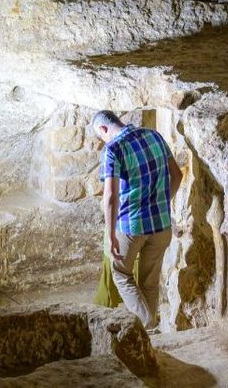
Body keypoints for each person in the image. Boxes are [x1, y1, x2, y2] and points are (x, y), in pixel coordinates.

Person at [92, 110, 183, 330]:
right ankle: (149, 335)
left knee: (121, 274)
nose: (102, 140)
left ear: (104, 129)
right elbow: (177, 175)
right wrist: (162, 202)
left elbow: (111, 197)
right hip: (161, 225)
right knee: (149, 283)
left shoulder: (112, 150)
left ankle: (147, 322)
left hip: (131, 226)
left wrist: (111, 234)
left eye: (100, 135)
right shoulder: (154, 136)